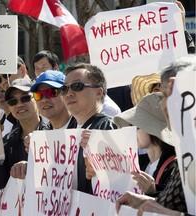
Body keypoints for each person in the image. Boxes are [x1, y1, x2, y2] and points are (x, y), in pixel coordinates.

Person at [116, 55, 196, 215]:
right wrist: (150, 199)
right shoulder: (186, 151)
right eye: (166, 95)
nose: (163, 103)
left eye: (167, 94)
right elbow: (181, 203)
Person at [0, 78, 49, 189]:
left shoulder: (53, 133)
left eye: (25, 98)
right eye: (13, 101)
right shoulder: (8, 142)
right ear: (9, 107)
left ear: (37, 98)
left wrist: (31, 167)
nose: (19, 104)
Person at [61, 63, 118, 194]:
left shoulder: (107, 128)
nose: (69, 93)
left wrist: (102, 168)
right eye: (64, 89)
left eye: (77, 86)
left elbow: (119, 183)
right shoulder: (69, 130)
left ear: (98, 92)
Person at [10, 70, 77, 180]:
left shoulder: (83, 129)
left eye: (51, 92)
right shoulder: (41, 138)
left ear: (66, 92)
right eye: (38, 95)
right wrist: (30, 166)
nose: (44, 100)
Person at [114, 93, 176, 196]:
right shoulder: (138, 162)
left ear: (153, 130)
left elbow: (174, 207)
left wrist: (154, 191)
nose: (133, 131)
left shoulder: (174, 168)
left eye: (137, 126)